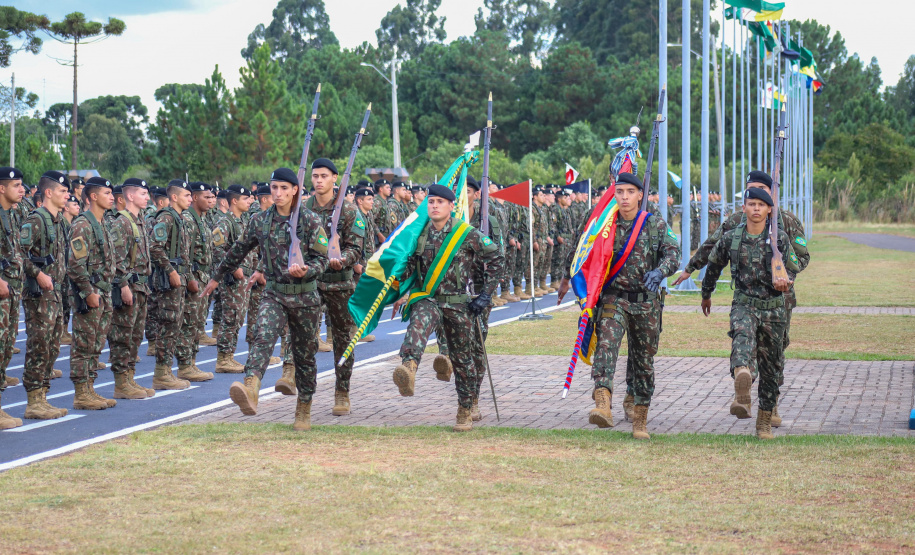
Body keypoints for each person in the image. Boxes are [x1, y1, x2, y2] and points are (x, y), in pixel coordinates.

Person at [672, 170, 810, 426]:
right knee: (746, 345)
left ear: (771, 193)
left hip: (780, 298)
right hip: (747, 298)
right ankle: (745, 394)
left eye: (761, 190)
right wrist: (691, 268)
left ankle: (771, 404)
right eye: (750, 191)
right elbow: (714, 246)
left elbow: (801, 258)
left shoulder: (787, 221)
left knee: (774, 353)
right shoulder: (739, 219)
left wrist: (784, 274)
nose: (754, 199)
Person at [202, 167, 329, 431]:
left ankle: (304, 406)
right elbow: (238, 250)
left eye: (284, 188)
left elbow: (323, 259)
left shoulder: (309, 220)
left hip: (305, 296)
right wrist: (216, 276)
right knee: (262, 336)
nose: (278, 193)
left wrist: (308, 269)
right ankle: (251, 387)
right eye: (274, 188)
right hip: (274, 293)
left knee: (304, 356)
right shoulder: (260, 221)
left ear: (295, 190)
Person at [557, 172, 681, 439]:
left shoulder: (653, 223)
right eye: (620, 192)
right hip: (613, 298)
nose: (624, 197)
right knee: (606, 345)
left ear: (640, 195)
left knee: (643, 361)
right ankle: (603, 402)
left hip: (646, 302)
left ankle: (639, 417)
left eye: (630, 192)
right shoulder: (605, 223)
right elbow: (581, 247)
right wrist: (567, 278)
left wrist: (660, 272)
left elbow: (673, 253)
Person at [390, 184, 504, 431]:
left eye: (440, 202)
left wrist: (485, 295)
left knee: (463, 361)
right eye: (431, 202)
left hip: (457, 303)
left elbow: (496, 258)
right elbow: (409, 266)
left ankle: (465, 408)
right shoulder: (419, 233)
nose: (434, 206)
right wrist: (396, 287)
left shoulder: (466, 233)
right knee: (417, 324)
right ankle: (409, 367)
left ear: (451, 206)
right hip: (428, 298)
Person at [699, 187, 799, 439]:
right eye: (751, 204)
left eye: (760, 205)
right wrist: (706, 293)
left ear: (769, 210)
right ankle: (743, 380)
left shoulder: (780, 240)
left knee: (771, 366)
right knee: (741, 342)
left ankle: (764, 420)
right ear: (743, 208)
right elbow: (713, 265)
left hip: (774, 309)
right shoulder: (732, 238)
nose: (755, 209)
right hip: (744, 304)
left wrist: (786, 280)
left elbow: (792, 268)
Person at [304, 158, 365, 416]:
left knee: (342, 340)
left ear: (334, 179)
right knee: (304, 337)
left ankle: (342, 391)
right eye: (315, 176)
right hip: (310, 283)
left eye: (324, 176)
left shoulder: (349, 210)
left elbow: (356, 247)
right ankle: (304, 392)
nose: (318, 180)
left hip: (340, 284)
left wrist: (344, 260)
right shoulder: (303, 209)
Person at [20, 171, 71, 419]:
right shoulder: (36, 220)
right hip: (39, 295)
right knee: (39, 346)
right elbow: (19, 253)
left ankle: (42, 397)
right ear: (48, 193)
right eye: (62, 191)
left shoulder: (59, 221)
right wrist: (37, 273)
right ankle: (33, 400)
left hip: (55, 294)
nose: (67, 195)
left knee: (51, 346)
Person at [67, 176, 118, 410]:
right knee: (83, 344)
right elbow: (75, 263)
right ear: (93, 197)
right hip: (90, 294)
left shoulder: (102, 222)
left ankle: (89, 388)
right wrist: (88, 291)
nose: (111, 197)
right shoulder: (82, 224)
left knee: (96, 344)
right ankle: (81, 393)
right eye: (107, 193)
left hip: (103, 292)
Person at [107, 178, 155, 399]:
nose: (147, 197)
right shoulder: (122, 222)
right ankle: (121, 383)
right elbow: (116, 259)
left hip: (141, 286)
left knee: (135, 336)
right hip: (129, 286)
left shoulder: (140, 220)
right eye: (143, 193)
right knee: (122, 336)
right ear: (130, 196)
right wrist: (123, 285)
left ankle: (130, 378)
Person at [148, 179, 194, 390]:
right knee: (167, 324)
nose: (190, 199)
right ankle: (161, 373)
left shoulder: (179, 218)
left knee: (174, 324)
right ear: (174, 197)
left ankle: (166, 371)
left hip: (179, 279)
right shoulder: (166, 217)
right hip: (169, 281)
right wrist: (170, 270)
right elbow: (154, 247)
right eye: (186, 195)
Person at [174, 182, 216, 382]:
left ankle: (191, 362)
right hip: (194, 276)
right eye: (205, 197)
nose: (210, 201)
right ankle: (184, 365)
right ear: (196, 198)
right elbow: (184, 253)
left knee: (198, 322)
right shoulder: (189, 220)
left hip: (203, 276)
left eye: (211, 197)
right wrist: (190, 278)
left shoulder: (202, 219)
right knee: (189, 322)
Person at [213, 184, 256, 372]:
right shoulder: (225, 222)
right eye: (245, 199)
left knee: (238, 318)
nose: (249, 202)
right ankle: (223, 359)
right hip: (233, 278)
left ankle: (229, 356)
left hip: (244, 277)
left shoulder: (242, 221)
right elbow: (217, 248)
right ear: (234, 201)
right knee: (230, 317)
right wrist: (233, 268)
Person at [0, 167, 24, 428]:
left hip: (11, 291)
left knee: (5, 348)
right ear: (1, 188)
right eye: (16, 185)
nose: (21, 190)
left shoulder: (11, 215)